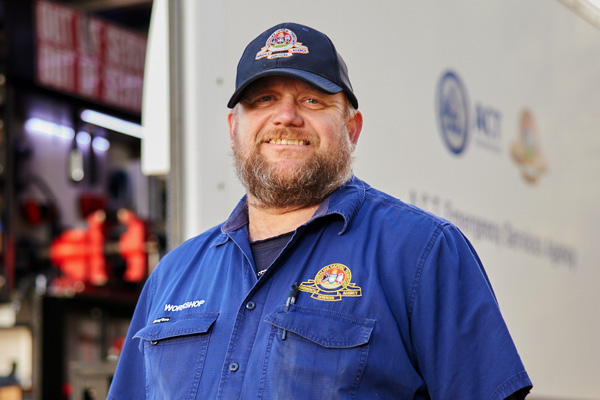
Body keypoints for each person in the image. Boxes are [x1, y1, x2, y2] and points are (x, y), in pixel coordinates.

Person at [108, 22, 532, 399]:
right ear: (234, 129)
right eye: (263, 99)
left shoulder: (422, 253)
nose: (286, 117)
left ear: (351, 128)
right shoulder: (173, 275)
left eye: (312, 100)